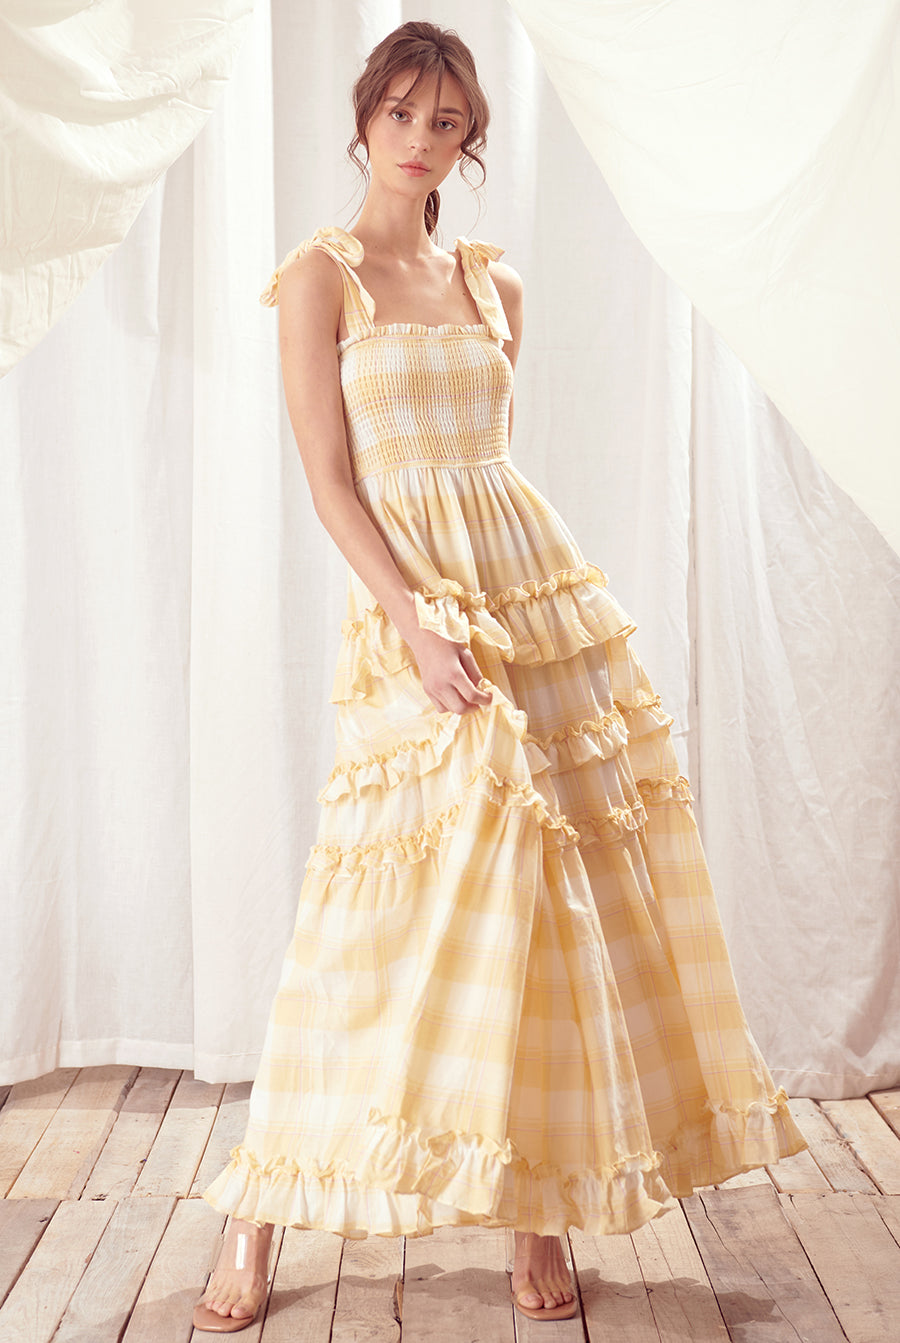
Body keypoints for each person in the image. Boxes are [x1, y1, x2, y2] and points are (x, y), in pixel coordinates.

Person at [193, 19, 808, 1333]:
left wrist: (488, 604)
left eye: (448, 122)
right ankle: (259, 1206)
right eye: (403, 114)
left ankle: (537, 1207)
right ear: (363, 122)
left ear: (470, 141)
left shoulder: (495, 284)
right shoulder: (321, 278)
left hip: (533, 594)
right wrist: (416, 622)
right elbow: (333, 479)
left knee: (547, 892)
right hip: (415, 608)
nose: (422, 139)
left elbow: (491, 457)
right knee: (369, 920)